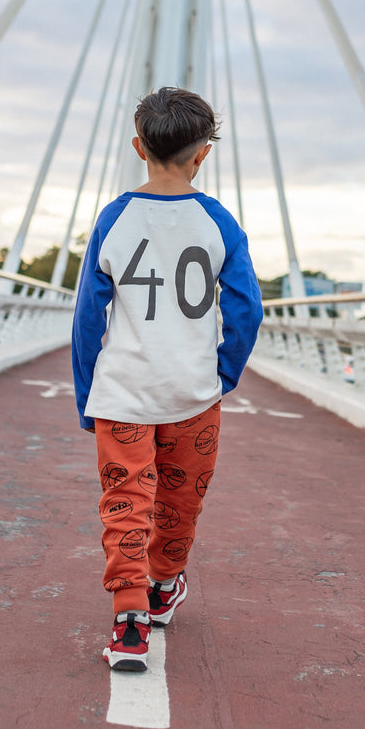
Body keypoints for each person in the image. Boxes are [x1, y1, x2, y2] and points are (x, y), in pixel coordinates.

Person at [71, 86, 263, 672]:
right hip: (192, 395)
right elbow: (247, 310)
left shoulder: (113, 218)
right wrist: (221, 375)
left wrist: (88, 396)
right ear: (203, 155)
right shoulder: (219, 222)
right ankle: (163, 585)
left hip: (123, 394)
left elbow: (86, 317)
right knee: (181, 501)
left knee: (125, 504)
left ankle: (128, 622)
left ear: (137, 148)